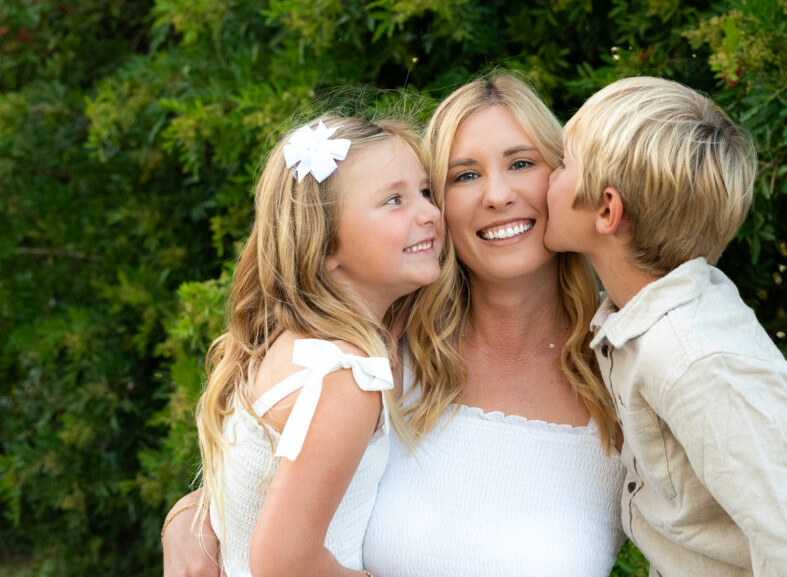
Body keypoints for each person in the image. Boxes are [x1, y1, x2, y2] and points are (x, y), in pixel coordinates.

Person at [162, 75, 625, 576]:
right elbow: (263, 486)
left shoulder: (627, 364)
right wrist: (187, 521)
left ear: (562, 179)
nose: (496, 194)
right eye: (463, 175)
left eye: (521, 163)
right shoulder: (381, 348)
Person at [544, 75, 787, 576]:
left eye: (564, 164)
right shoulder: (643, 322)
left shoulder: (698, 360)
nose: (548, 176)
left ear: (607, 210)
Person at [185, 115, 441, 576]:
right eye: (394, 200)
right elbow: (283, 563)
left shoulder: (296, 343)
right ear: (325, 247)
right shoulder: (344, 376)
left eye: (425, 192)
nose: (430, 213)